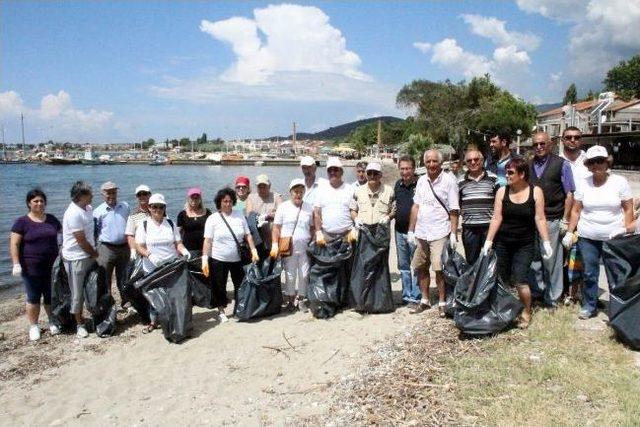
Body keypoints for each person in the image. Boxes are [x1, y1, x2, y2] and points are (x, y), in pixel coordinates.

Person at [562, 145, 635, 319]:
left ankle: (617, 309)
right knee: (589, 273)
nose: (596, 165)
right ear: (588, 164)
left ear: (607, 162)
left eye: (600, 161)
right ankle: (590, 305)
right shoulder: (584, 183)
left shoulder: (619, 182)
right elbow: (576, 210)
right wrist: (570, 232)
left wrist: (626, 230)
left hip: (614, 237)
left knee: (616, 274)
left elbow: (628, 208)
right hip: (588, 236)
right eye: (592, 162)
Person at [483, 158, 552, 328]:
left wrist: (546, 242)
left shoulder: (535, 192)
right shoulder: (501, 192)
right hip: (503, 243)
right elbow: (497, 217)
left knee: (521, 279)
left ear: (522, 174)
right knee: (501, 279)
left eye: (510, 172)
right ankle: (503, 310)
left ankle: (527, 310)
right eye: (506, 172)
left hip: (525, 244)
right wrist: (488, 241)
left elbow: (540, 218)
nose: (506, 175)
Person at [408, 149, 460, 316]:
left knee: (439, 268)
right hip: (422, 232)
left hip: (440, 231)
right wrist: (411, 230)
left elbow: (453, 209)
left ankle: (443, 302)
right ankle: (425, 300)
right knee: (421, 267)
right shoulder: (422, 180)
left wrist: (453, 233)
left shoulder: (449, 181)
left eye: (434, 161)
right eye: (428, 161)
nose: (431, 164)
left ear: (440, 162)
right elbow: (416, 206)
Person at [529, 131, 576, 307]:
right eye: (535, 144)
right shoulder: (529, 165)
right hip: (531, 220)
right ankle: (537, 293)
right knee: (534, 260)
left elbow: (569, 194)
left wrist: (565, 219)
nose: (539, 147)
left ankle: (553, 298)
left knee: (552, 261)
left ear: (550, 144)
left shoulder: (561, 164)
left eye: (542, 143)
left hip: (552, 219)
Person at [10, 189, 62, 341]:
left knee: (50, 296)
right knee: (33, 297)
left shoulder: (52, 219)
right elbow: (14, 243)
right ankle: (34, 326)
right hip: (30, 268)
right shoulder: (22, 222)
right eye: (36, 201)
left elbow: (61, 237)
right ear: (29, 203)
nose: (39, 204)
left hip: (52, 267)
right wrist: (16, 263)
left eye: (42, 201)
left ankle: (52, 320)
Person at [135, 193, 191, 332]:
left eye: (160, 207)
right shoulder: (144, 224)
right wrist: (149, 255)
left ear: (164, 208)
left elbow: (178, 243)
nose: (157, 209)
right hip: (152, 267)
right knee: (155, 295)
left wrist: (184, 251)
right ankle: (153, 322)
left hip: (171, 267)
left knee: (173, 294)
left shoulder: (170, 223)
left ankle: (173, 319)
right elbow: (139, 246)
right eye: (154, 207)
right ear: (149, 207)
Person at [201, 188, 259, 322]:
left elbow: (248, 235)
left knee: (240, 284)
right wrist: (205, 258)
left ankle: (240, 308)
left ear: (233, 202)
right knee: (219, 285)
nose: (227, 204)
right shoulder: (212, 218)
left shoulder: (239, 215)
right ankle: (221, 310)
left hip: (238, 259)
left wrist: (253, 250)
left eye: (230, 201)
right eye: (224, 201)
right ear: (219, 203)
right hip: (218, 258)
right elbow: (208, 240)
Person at [61, 181, 99, 339]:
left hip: (89, 255)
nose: (92, 196)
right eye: (90, 193)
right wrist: (95, 254)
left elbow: (92, 230)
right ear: (81, 196)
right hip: (76, 258)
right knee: (77, 293)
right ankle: (79, 324)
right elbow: (81, 241)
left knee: (91, 287)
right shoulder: (73, 213)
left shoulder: (88, 208)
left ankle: (92, 316)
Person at [270, 178, 314, 311]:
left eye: (301, 191)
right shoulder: (283, 207)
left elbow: (312, 227)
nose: (298, 194)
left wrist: (312, 240)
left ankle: (301, 299)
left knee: (304, 274)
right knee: (290, 274)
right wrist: (274, 244)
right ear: (290, 192)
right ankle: (290, 300)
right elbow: (276, 228)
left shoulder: (308, 207)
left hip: (305, 248)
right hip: (288, 248)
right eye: (296, 191)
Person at [559, 126, 589, 305]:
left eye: (576, 137)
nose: (572, 140)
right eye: (568, 137)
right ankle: (562, 291)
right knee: (561, 256)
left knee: (583, 256)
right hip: (561, 215)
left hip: (585, 216)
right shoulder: (555, 160)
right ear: (562, 140)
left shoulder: (590, 160)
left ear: (581, 140)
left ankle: (581, 293)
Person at [457, 149, 498, 264]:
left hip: (489, 227)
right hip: (469, 228)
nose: (473, 162)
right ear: (466, 163)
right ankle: (473, 282)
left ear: (482, 160)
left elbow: (498, 203)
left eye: (476, 159)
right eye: (469, 160)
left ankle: (489, 282)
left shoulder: (493, 179)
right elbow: (459, 203)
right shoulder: (460, 181)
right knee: (471, 261)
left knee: (490, 261)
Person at [93, 181, 130, 301]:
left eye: (113, 192)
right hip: (106, 249)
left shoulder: (125, 206)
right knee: (105, 279)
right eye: (108, 193)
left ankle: (126, 302)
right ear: (102, 194)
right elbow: (95, 232)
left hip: (125, 248)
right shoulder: (98, 211)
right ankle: (107, 306)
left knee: (124, 277)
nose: (111, 195)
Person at [393, 155, 421, 305]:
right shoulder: (397, 185)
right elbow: (393, 206)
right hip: (399, 231)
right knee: (403, 266)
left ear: (414, 169)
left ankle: (416, 296)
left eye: (408, 168)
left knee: (416, 264)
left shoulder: (421, 184)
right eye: (402, 169)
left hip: (416, 232)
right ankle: (406, 295)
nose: (405, 172)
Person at [313, 157, 357, 245]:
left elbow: (355, 210)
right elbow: (317, 213)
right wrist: (318, 231)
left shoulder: (350, 189)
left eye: (335, 170)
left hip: (347, 236)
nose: (332, 172)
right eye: (330, 170)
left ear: (342, 172)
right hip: (327, 236)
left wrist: (355, 228)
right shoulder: (321, 190)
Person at [246, 174, 283, 258]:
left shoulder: (276, 197)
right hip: (258, 238)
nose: (262, 189)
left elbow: (282, 213)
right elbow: (249, 214)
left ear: (269, 186)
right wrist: (266, 215)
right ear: (256, 187)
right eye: (260, 187)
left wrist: (272, 215)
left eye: (264, 186)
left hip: (273, 238)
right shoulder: (251, 197)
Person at [350, 162, 395, 227]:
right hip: (363, 230)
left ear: (380, 175)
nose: (372, 176)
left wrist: (388, 217)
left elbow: (394, 211)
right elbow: (353, 210)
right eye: (369, 173)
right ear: (366, 175)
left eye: (375, 173)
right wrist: (356, 219)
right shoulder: (357, 191)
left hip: (382, 231)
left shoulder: (389, 191)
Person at [176, 187, 212, 253]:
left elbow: (212, 231)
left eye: (197, 197)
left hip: (205, 249)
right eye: (192, 197)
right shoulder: (182, 214)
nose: (194, 200)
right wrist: (179, 249)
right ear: (188, 199)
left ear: (200, 199)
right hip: (188, 250)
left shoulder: (207, 212)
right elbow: (178, 234)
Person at [125, 184, 152, 260]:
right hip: (141, 254)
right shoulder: (132, 217)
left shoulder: (158, 212)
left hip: (157, 251)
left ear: (150, 195)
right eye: (139, 195)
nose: (142, 196)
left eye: (144, 194)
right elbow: (130, 236)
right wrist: (133, 250)